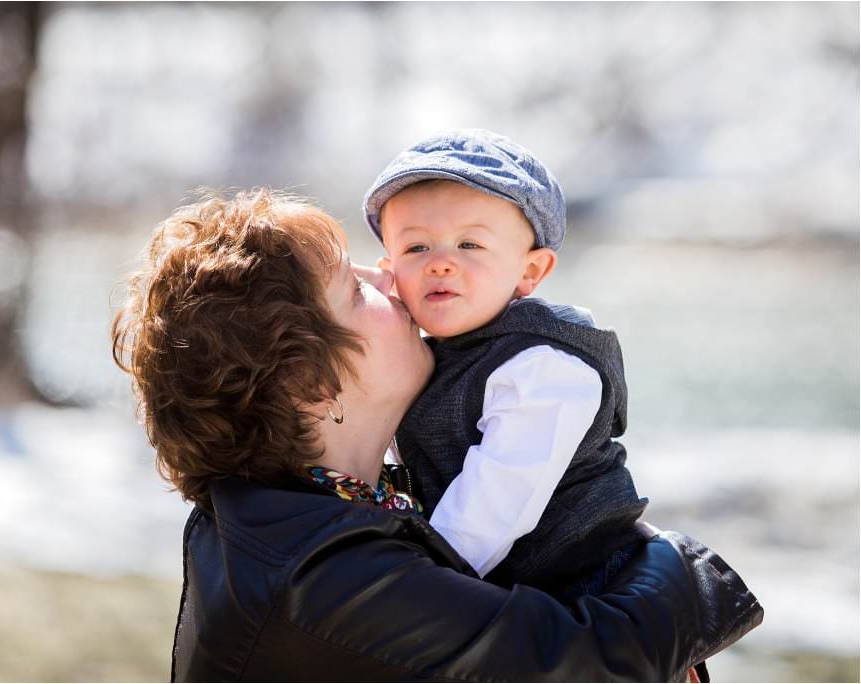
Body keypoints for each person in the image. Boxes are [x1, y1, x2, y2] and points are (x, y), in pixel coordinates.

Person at [112, 189, 762, 681]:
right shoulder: (318, 582)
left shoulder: (297, 523)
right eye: (352, 288)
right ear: (317, 385)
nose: (389, 276)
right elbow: (589, 662)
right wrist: (684, 567)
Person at [364, 128, 645, 596]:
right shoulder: (423, 353)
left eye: (469, 245)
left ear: (530, 271)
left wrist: (408, 593)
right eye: (416, 248)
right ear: (389, 269)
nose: (440, 263)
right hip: (494, 585)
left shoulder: (543, 364)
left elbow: (493, 505)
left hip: (585, 596)